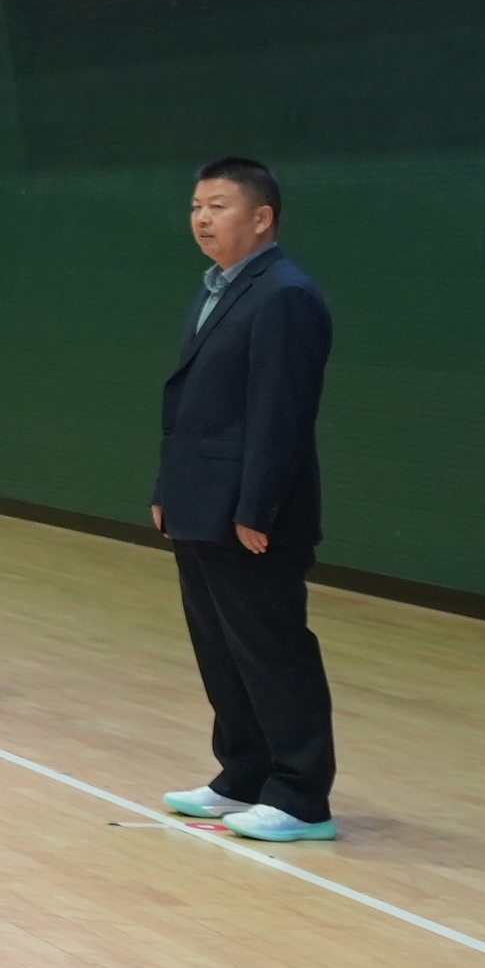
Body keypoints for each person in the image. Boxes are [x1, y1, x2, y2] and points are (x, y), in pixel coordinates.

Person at [156, 156, 341, 841]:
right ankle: (244, 774)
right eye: (196, 206)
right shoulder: (216, 289)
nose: (202, 218)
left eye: (219, 206)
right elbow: (191, 406)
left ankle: (300, 796)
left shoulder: (285, 295)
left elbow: (280, 415)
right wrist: (168, 490)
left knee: (271, 651)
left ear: (262, 218)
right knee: (221, 649)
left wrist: (255, 508)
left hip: (250, 516)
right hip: (198, 504)